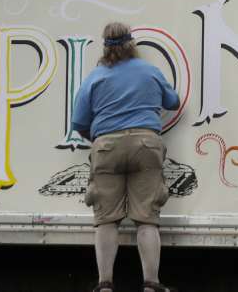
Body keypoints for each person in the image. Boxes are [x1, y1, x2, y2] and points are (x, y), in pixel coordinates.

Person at [73, 22, 182, 292]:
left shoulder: (95, 77)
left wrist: (100, 140)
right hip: (145, 144)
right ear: (131, 43)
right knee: (147, 219)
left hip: (106, 146)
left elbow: (79, 121)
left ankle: (105, 285)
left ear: (105, 47)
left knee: (106, 219)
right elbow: (173, 101)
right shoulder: (149, 70)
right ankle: (151, 284)